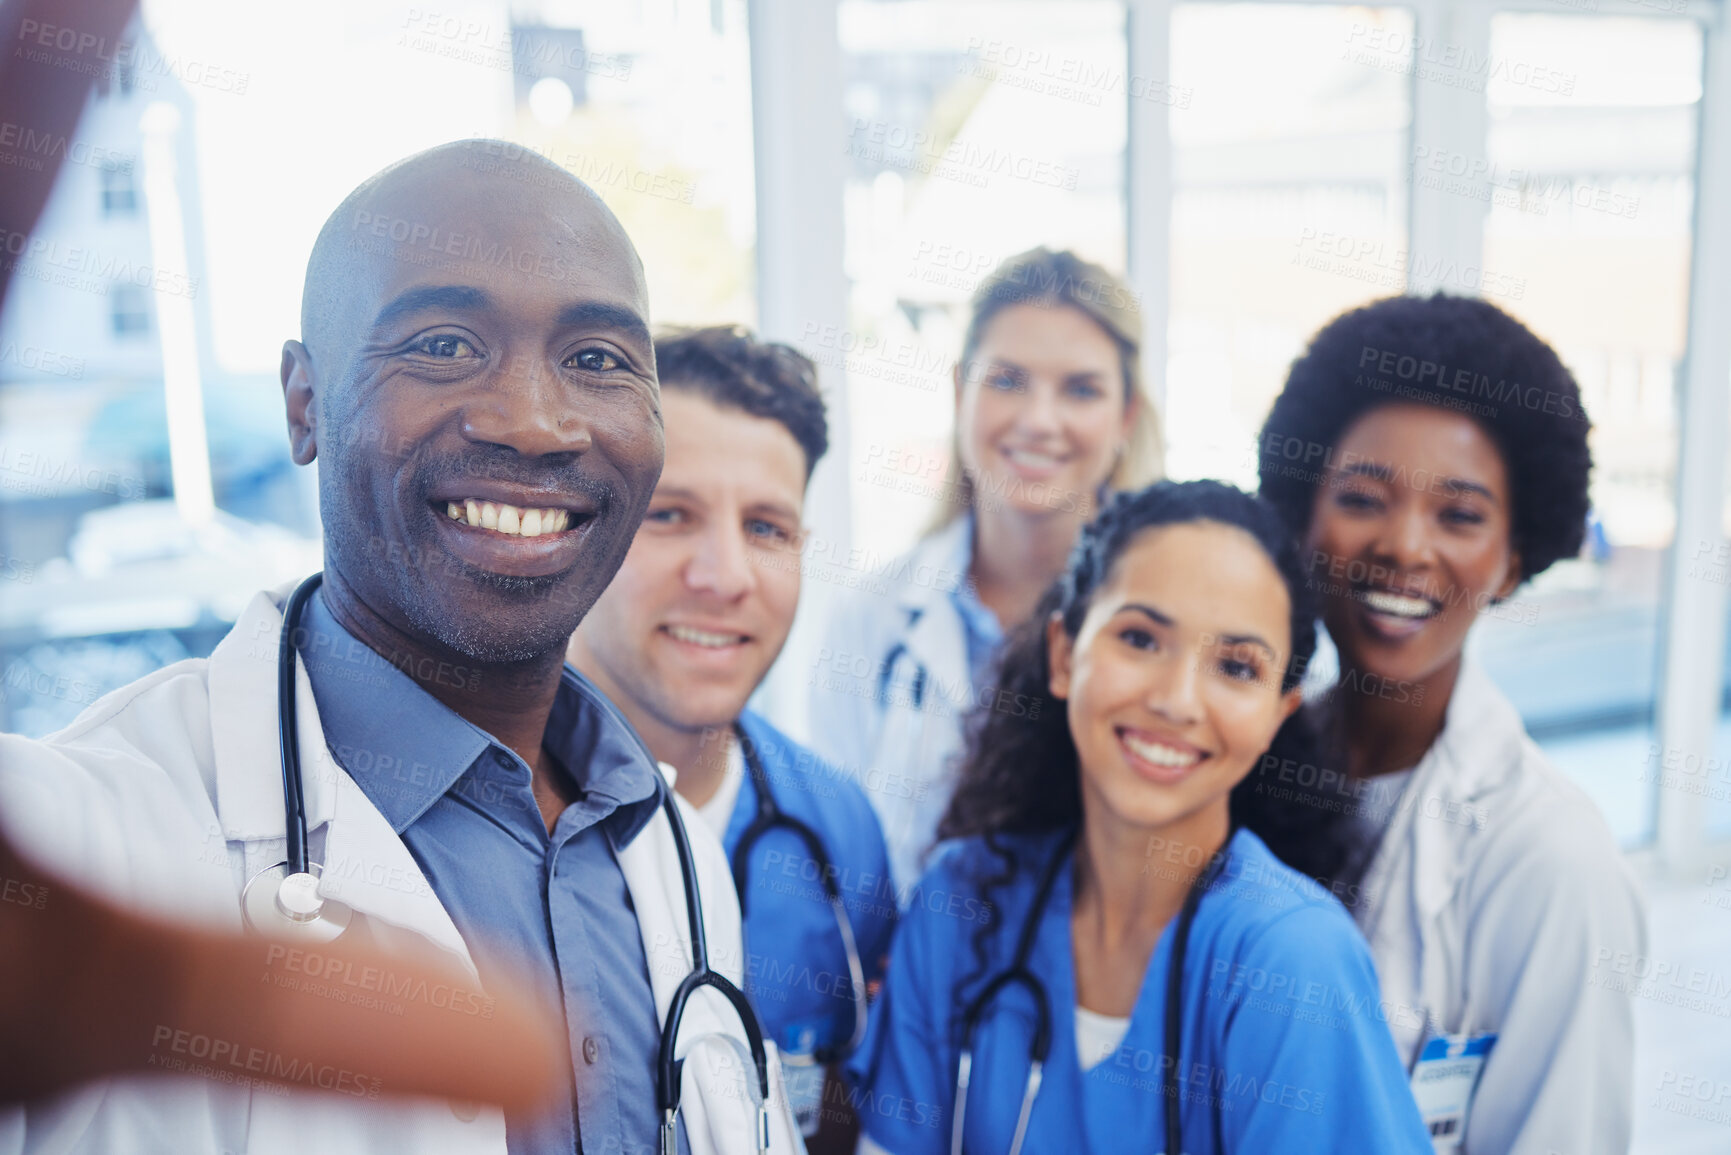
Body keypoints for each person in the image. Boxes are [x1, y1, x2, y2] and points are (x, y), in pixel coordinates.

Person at [0, 142, 801, 1155]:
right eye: (441, 344)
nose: (534, 422)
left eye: (597, 359)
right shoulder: (97, 829)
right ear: (304, 401)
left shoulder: (674, 854)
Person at [855, 481, 1432, 1155]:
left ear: (1279, 711)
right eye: (1139, 638)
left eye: (1236, 667)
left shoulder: (1293, 965)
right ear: (1064, 654)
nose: (1177, 700)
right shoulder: (962, 904)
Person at [1257, 293, 1645, 1153]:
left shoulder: (1551, 860)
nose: (1404, 546)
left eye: (1459, 515)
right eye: (1362, 497)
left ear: (1513, 560)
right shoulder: (1241, 762)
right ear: (1303, 515)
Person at [566, 325, 895, 1149]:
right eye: (669, 514)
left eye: (767, 528)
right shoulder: (483, 815)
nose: (724, 576)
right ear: (582, 521)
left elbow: (845, 1111)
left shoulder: (836, 829)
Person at [804, 248, 1163, 896]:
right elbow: (832, 867)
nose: (1037, 420)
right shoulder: (872, 618)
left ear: (1125, 416)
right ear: (957, 390)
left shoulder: (1176, 607)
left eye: (1080, 389)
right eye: (1006, 379)